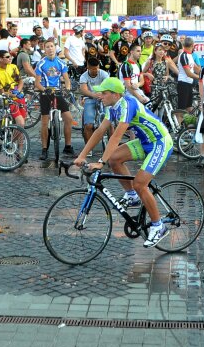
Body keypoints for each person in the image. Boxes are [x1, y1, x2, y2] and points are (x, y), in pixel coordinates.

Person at [73, 77, 174, 248]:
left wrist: (100, 162)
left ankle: (159, 226)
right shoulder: (112, 108)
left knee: (140, 184)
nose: (100, 96)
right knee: (115, 159)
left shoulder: (128, 104)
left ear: (115, 94)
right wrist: (82, 155)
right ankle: (132, 196)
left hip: (160, 142)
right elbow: (99, 132)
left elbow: (116, 137)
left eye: (104, 93)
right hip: (144, 142)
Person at [34, 40, 74, 159]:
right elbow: (37, 83)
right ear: (44, 50)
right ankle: (44, 149)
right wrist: (44, 89)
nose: (50, 49)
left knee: (69, 119)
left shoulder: (61, 62)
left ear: (55, 48)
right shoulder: (40, 64)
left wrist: (67, 88)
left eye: (52, 46)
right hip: (45, 92)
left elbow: (67, 80)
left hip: (57, 92)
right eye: (47, 47)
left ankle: (68, 146)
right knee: (45, 122)